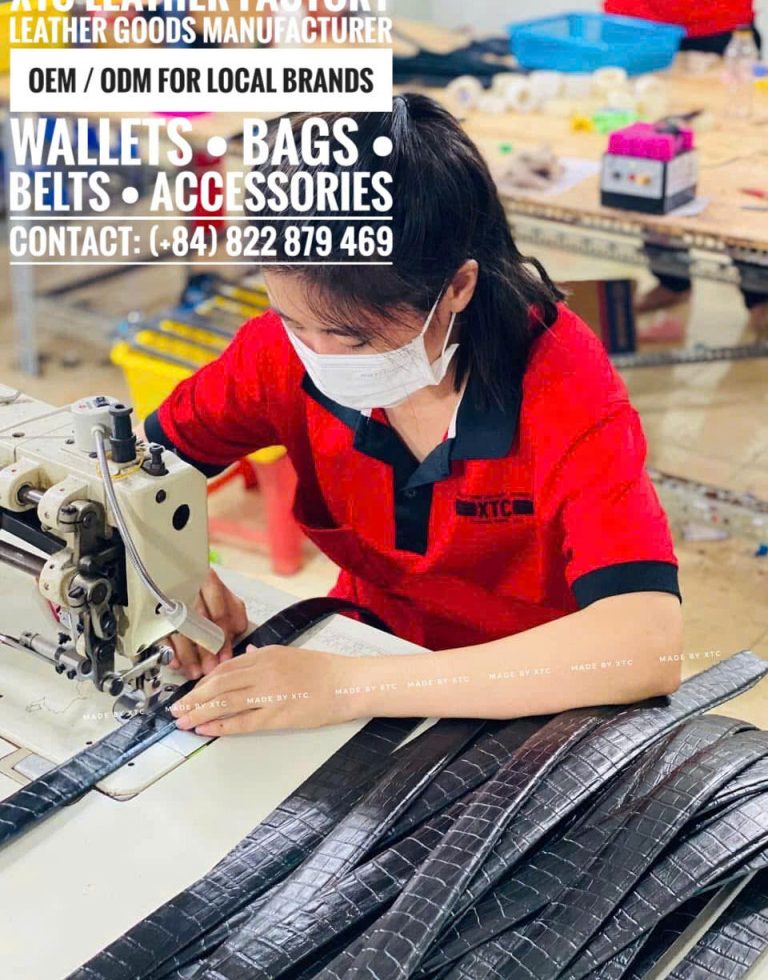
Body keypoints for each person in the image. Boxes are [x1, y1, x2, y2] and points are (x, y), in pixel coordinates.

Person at [146, 95, 683, 736]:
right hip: (369, 641)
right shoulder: (279, 352)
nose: (316, 354)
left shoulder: (562, 384)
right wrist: (165, 569)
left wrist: (349, 686)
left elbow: (644, 643)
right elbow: (128, 470)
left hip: (532, 688)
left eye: (352, 339)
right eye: (292, 320)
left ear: (456, 287)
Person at [604, 0, 768, 331]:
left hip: (713, 17)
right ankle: (671, 278)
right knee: (644, 156)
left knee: (729, 166)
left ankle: (760, 292)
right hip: (639, 18)